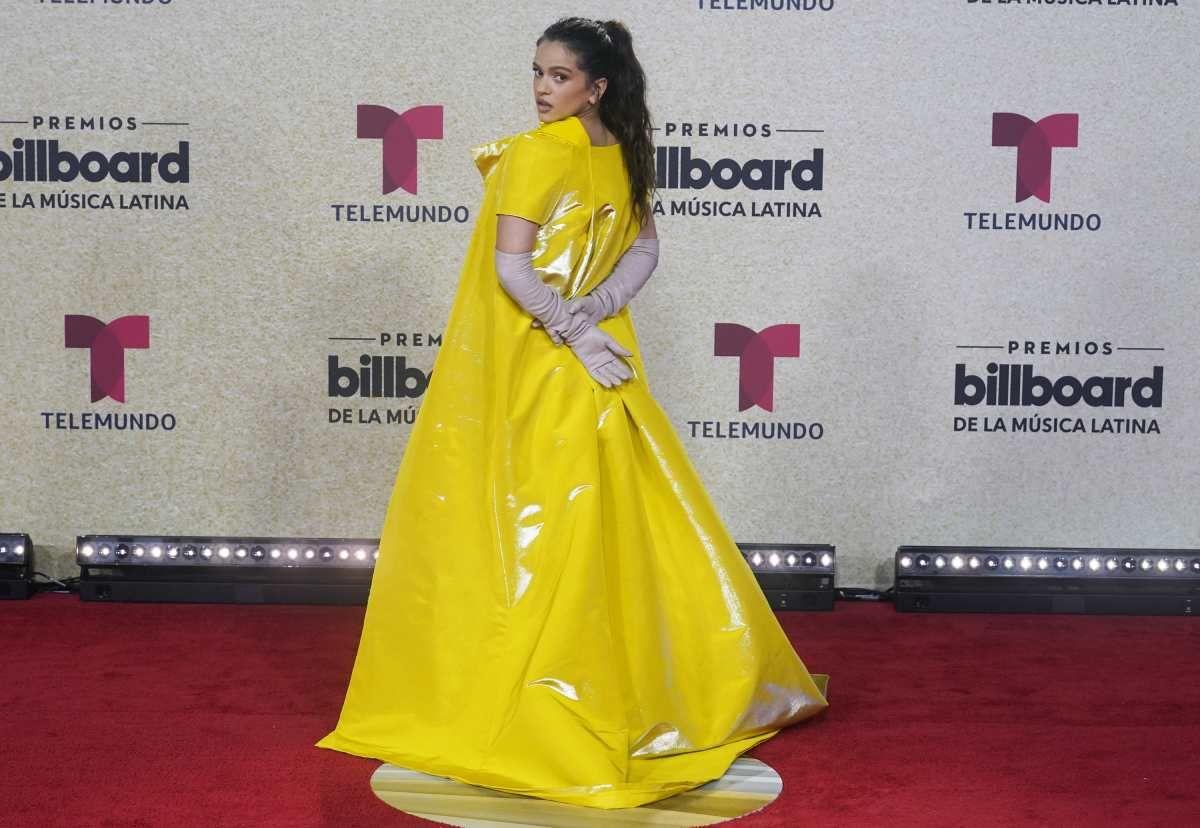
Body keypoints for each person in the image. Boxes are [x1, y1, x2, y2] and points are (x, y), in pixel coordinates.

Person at [316, 16, 828, 810]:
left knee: (573, 519)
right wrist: (588, 324)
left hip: (556, 362)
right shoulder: (566, 151)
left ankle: (575, 693)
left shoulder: (581, 154)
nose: (540, 89)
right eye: (537, 73)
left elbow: (554, 261)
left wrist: (585, 320)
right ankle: (605, 689)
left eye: (558, 76)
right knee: (582, 518)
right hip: (568, 358)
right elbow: (553, 262)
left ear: (599, 86)